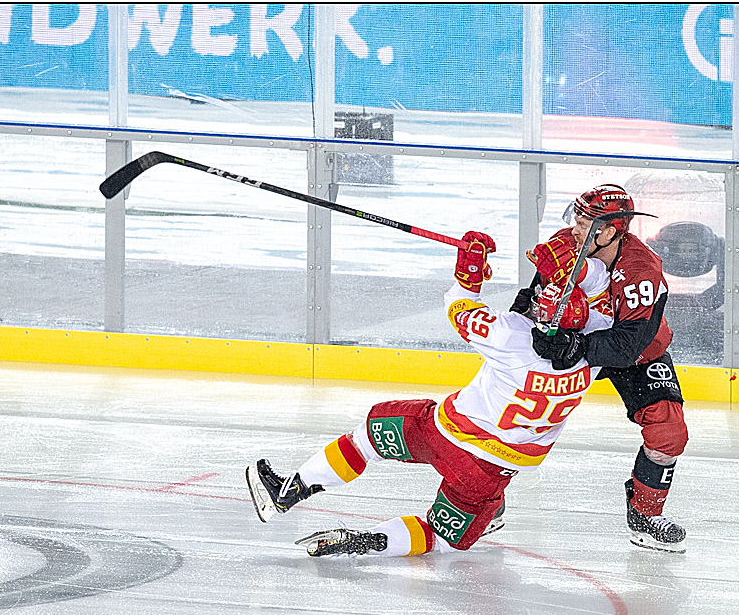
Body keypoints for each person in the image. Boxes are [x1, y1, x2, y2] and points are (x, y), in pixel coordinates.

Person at [245, 231, 615, 558]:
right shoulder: (594, 355)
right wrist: (584, 277)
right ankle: (373, 541)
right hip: (491, 473)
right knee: (443, 539)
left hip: (441, 436)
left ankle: (288, 492)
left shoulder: (512, 334)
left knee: (365, 439)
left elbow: (458, 306)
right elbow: (601, 301)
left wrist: (468, 272)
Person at [522, 184, 688, 553]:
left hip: (634, 352)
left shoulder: (641, 272)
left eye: (582, 223)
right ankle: (485, 497)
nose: (572, 229)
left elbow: (628, 344)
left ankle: (645, 516)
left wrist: (575, 345)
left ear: (609, 231)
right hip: (575, 339)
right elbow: (540, 288)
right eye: (575, 219)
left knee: (669, 432)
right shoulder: (569, 242)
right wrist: (524, 313)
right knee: (516, 418)